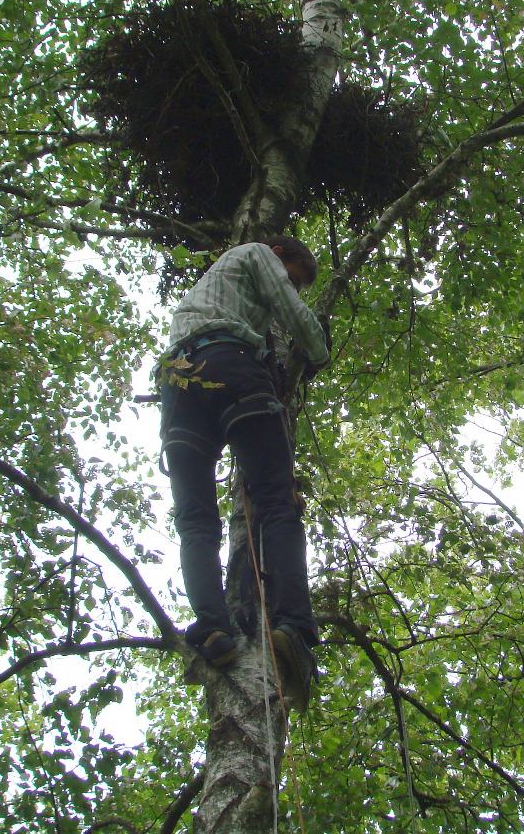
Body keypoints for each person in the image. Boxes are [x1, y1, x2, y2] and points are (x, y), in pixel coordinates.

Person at [159, 236, 330, 711]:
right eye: (294, 277)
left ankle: (213, 629)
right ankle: (294, 627)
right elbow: (292, 311)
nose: (293, 287)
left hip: (177, 381)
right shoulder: (256, 252)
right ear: (278, 254)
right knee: (276, 500)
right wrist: (319, 350)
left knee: (195, 520)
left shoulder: (214, 292)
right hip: (229, 362)